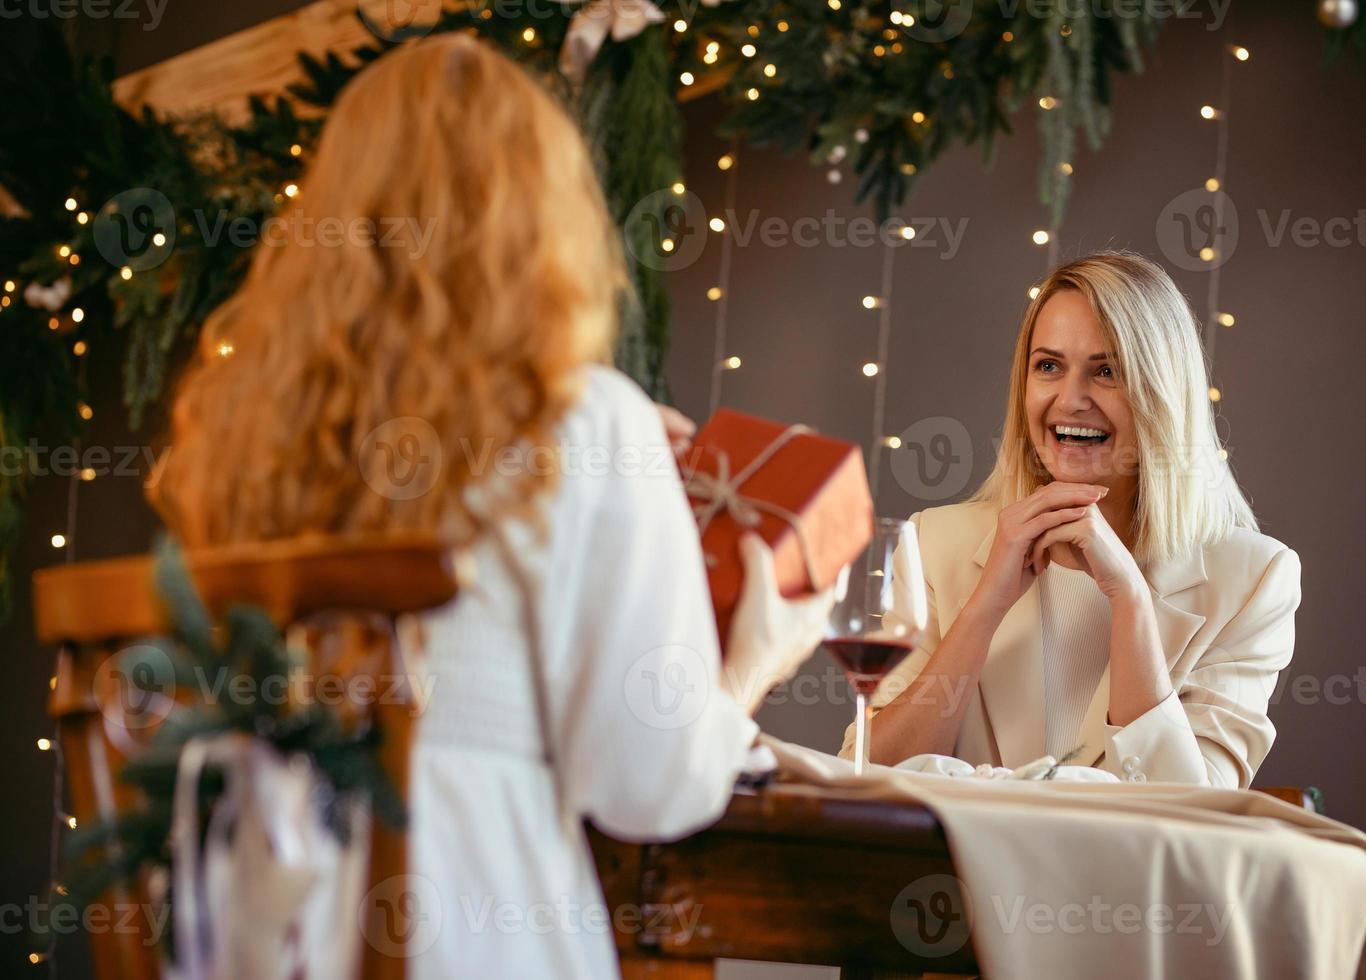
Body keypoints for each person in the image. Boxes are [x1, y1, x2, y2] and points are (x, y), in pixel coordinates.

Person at [149, 35, 828, 977]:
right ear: (541, 220)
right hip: (468, 923)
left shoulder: (246, 430)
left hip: (259, 922)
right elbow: (646, 786)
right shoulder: (586, 421)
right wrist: (751, 665)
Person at [848, 251, 1301, 788]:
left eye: (1106, 371)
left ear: (1162, 391)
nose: (1071, 400)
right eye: (1048, 366)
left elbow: (1195, 813)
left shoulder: (1253, 577)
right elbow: (865, 779)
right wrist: (983, 607)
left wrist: (1130, 599)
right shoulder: (934, 542)